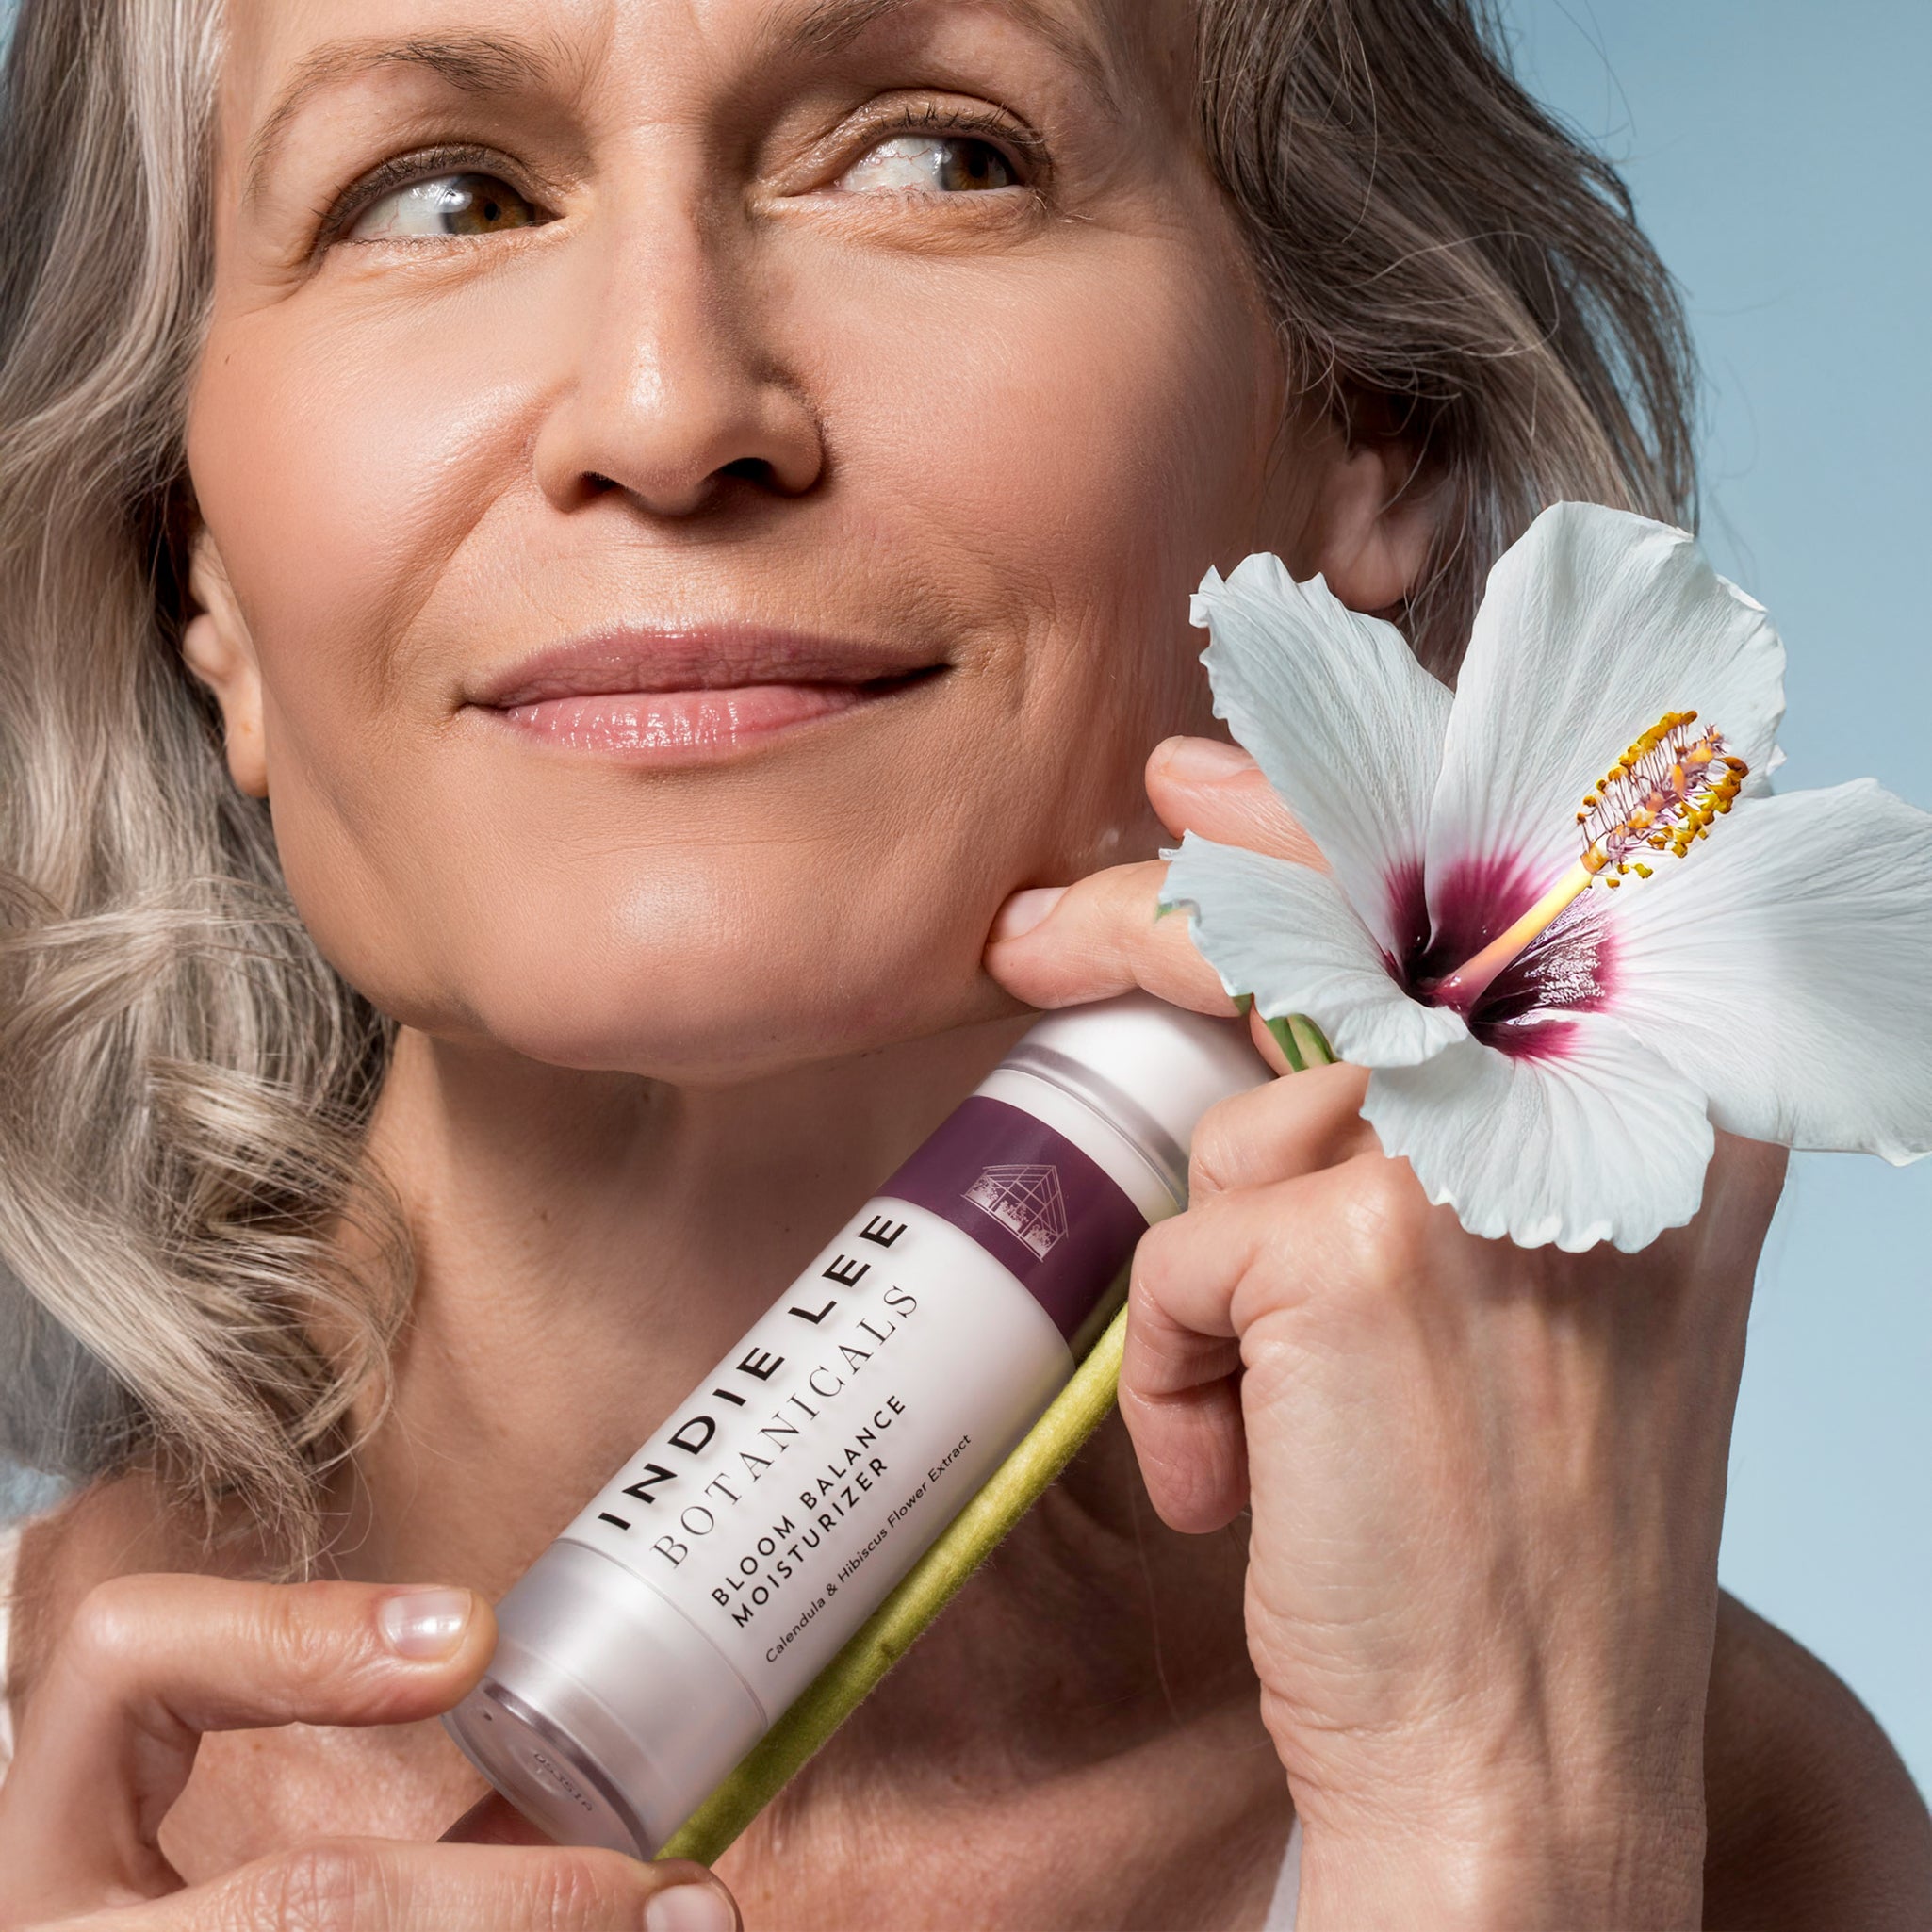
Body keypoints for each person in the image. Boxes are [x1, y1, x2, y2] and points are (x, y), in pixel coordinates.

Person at [0, 0, 1925, 1925]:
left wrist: (1504, 1826)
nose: (665, 412)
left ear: (1366, 429)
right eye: (440, 198)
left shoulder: (1724, 1831)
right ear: (198, 560)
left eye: (937, 159)